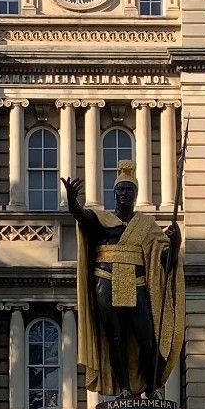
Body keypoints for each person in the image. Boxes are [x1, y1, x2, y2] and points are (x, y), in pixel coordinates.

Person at [62, 159, 184, 396]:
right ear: (114, 193)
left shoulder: (146, 226)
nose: (125, 194)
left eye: (129, 190)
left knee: (147, 339)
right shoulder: (103, 220)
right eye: (121, 190)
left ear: (136, 194)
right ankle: (124, 389)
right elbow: (81, 216)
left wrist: (176, 244)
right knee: (114, 339)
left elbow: (164, 262)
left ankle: (151, 388)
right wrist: (71, 200)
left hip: (137, 285)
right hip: (105, 282)